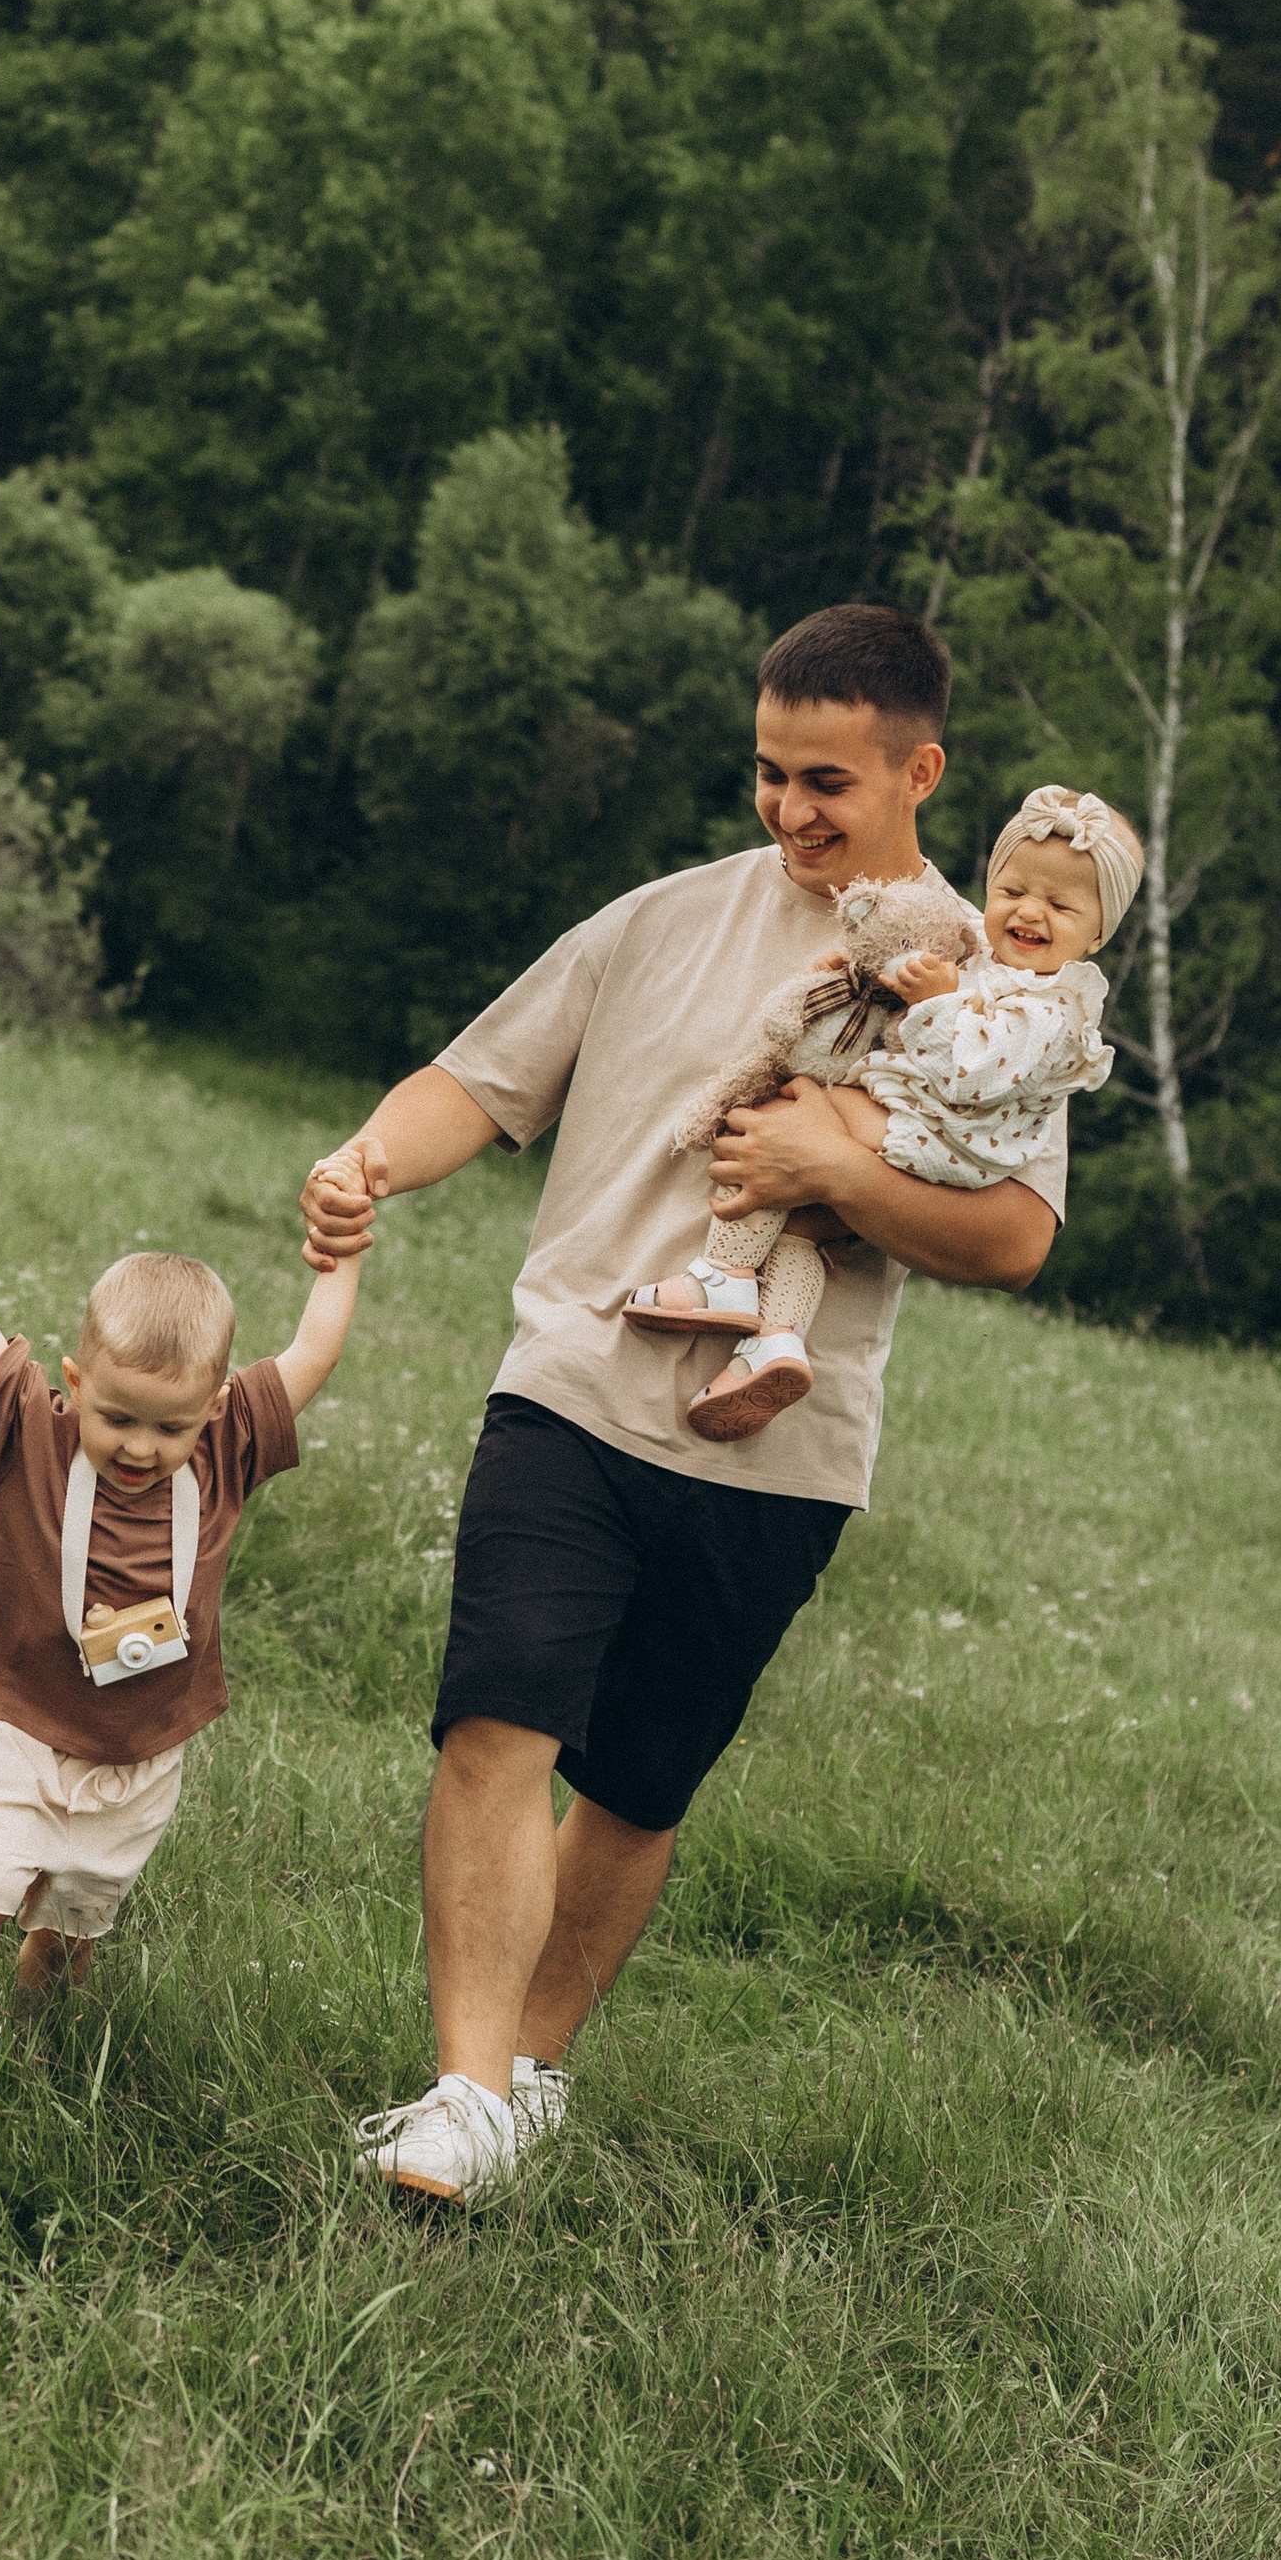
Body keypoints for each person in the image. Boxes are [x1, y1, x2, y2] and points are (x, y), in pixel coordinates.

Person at [300, 603, 1072, 2207]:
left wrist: (834, 1169)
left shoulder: (996, 989)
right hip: (575, 1385)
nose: (791, 812)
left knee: (641, 1779)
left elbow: (1013, 1237)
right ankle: (458, 2090)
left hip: (782, 1449)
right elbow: (484, 1077)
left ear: (919, 770)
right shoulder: (658, 920)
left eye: (829, 782)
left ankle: (521, 2086)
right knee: (497, 1721)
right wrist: (370, 1157)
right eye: (770, 774)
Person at [0, 1175, 362, 2056]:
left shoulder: (231, 1444)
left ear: (211, 1411)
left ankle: (33, 2046)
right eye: (117, 1417)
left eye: (169, 1429)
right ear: (74, 1381)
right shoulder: (31, 1428)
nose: (140, 1447)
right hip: (28, 1719)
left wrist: (343, 1257)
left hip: (142, 1744)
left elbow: (314, 1352)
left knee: (72, 1924)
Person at [622, 783, 1142, 1440]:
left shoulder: (1056, 1012)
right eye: (1012, 892)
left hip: (950, 1143)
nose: (1028, 912)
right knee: (804, 1223)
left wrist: (936, 1003)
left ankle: (724, 1273)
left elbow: (972, 1069)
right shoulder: (989, 966)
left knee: (787, 1112)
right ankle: (775, 1343)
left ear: (1098, 933)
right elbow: (912, 979)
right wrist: (868, 975)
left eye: (1059, 904)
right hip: (929, 1127)